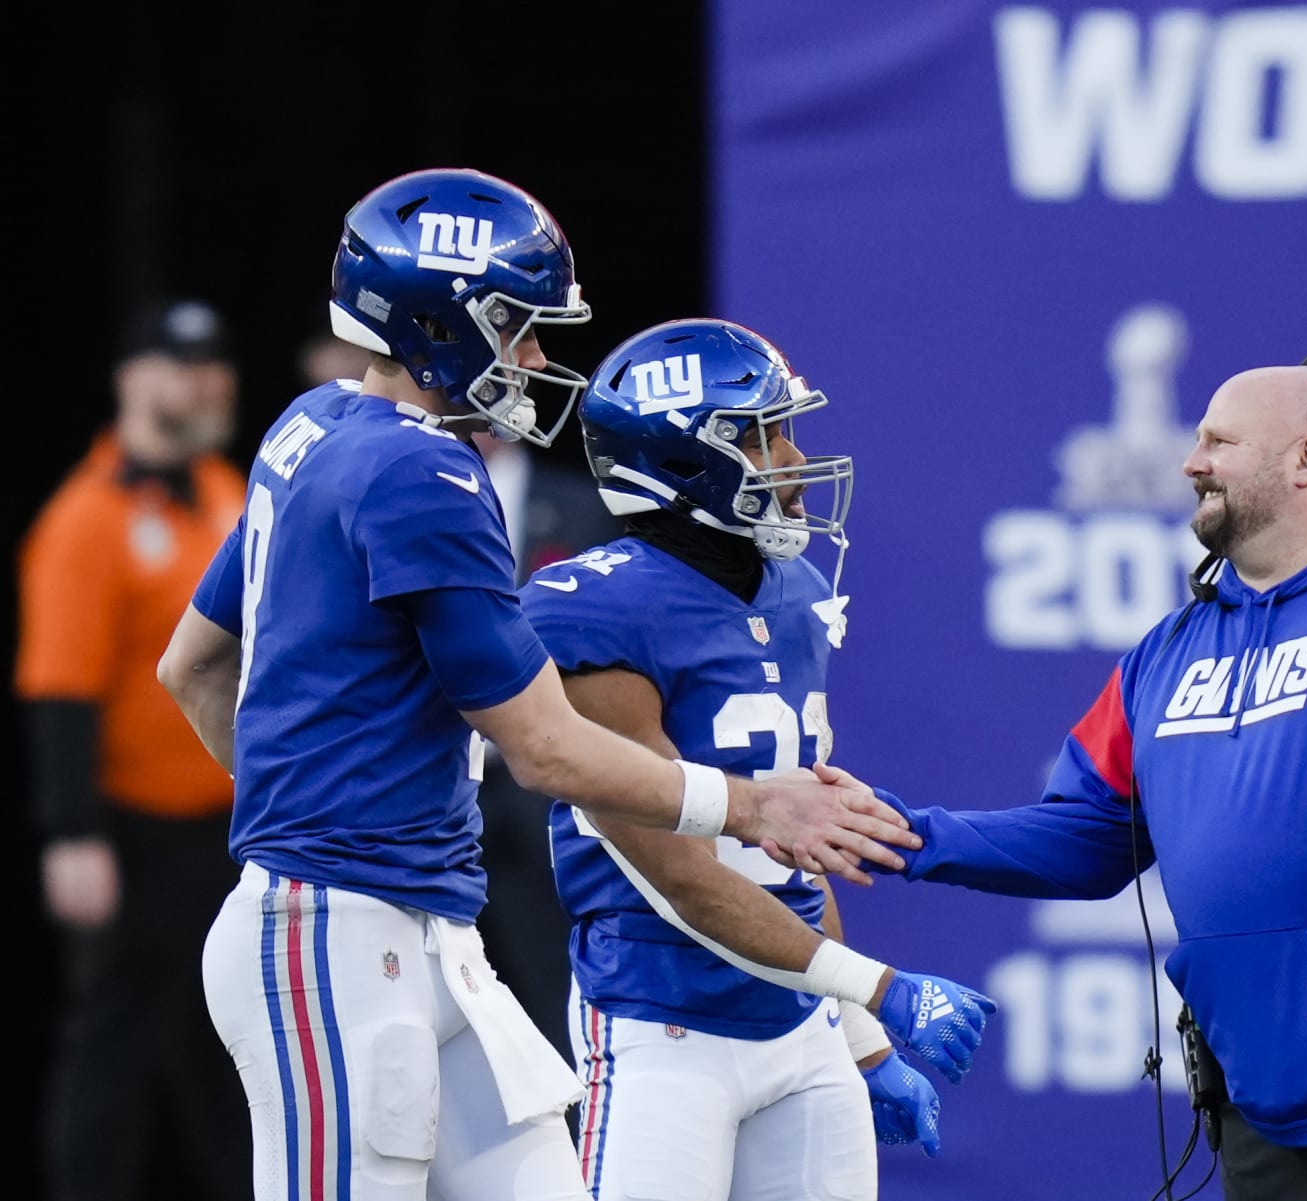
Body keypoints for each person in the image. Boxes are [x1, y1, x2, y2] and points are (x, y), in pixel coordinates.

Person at [154, 168, 923, 1201]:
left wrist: (313, 808)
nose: (536, 356)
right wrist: (751, 803)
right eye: (515, 326)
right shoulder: (421, 473)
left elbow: (193, 664)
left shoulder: (315, 422)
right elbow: (547, 749)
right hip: (334, 928)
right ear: (437, 321)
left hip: (422, 924)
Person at [870, 351, 1307, 1198]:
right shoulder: (1168, 651)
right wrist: (908, 834)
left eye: (1219, 440)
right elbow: (1092, 833)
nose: (1192, 462)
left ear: (1304, 459)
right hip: (1263, 1101)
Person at [523, 318, 994, 1198]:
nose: (791, 455)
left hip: (801, 1017)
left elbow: (800, 854)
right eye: (762, 433)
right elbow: (681, 875)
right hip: (661, 1019)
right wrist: (881, 986)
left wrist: (860, 1034)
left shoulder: (798, 587)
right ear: (682, 459)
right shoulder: (597, 609)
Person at [15, 296, 252, 1201]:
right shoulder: (86, 518)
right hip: (133, 828)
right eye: (181, 362)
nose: (205, 380)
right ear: (131, 379)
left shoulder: (232, 490)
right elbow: (57, 689)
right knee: (113, 1042)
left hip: (224, 827)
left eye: (214, 362)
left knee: (225, 1042)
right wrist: (71, 832)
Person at [471, 425, 625, 1053]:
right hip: (431, 792)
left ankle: (577, 1145)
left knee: (558, 1002)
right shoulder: (397, 498)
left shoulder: (586, 507)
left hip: (550, 802)